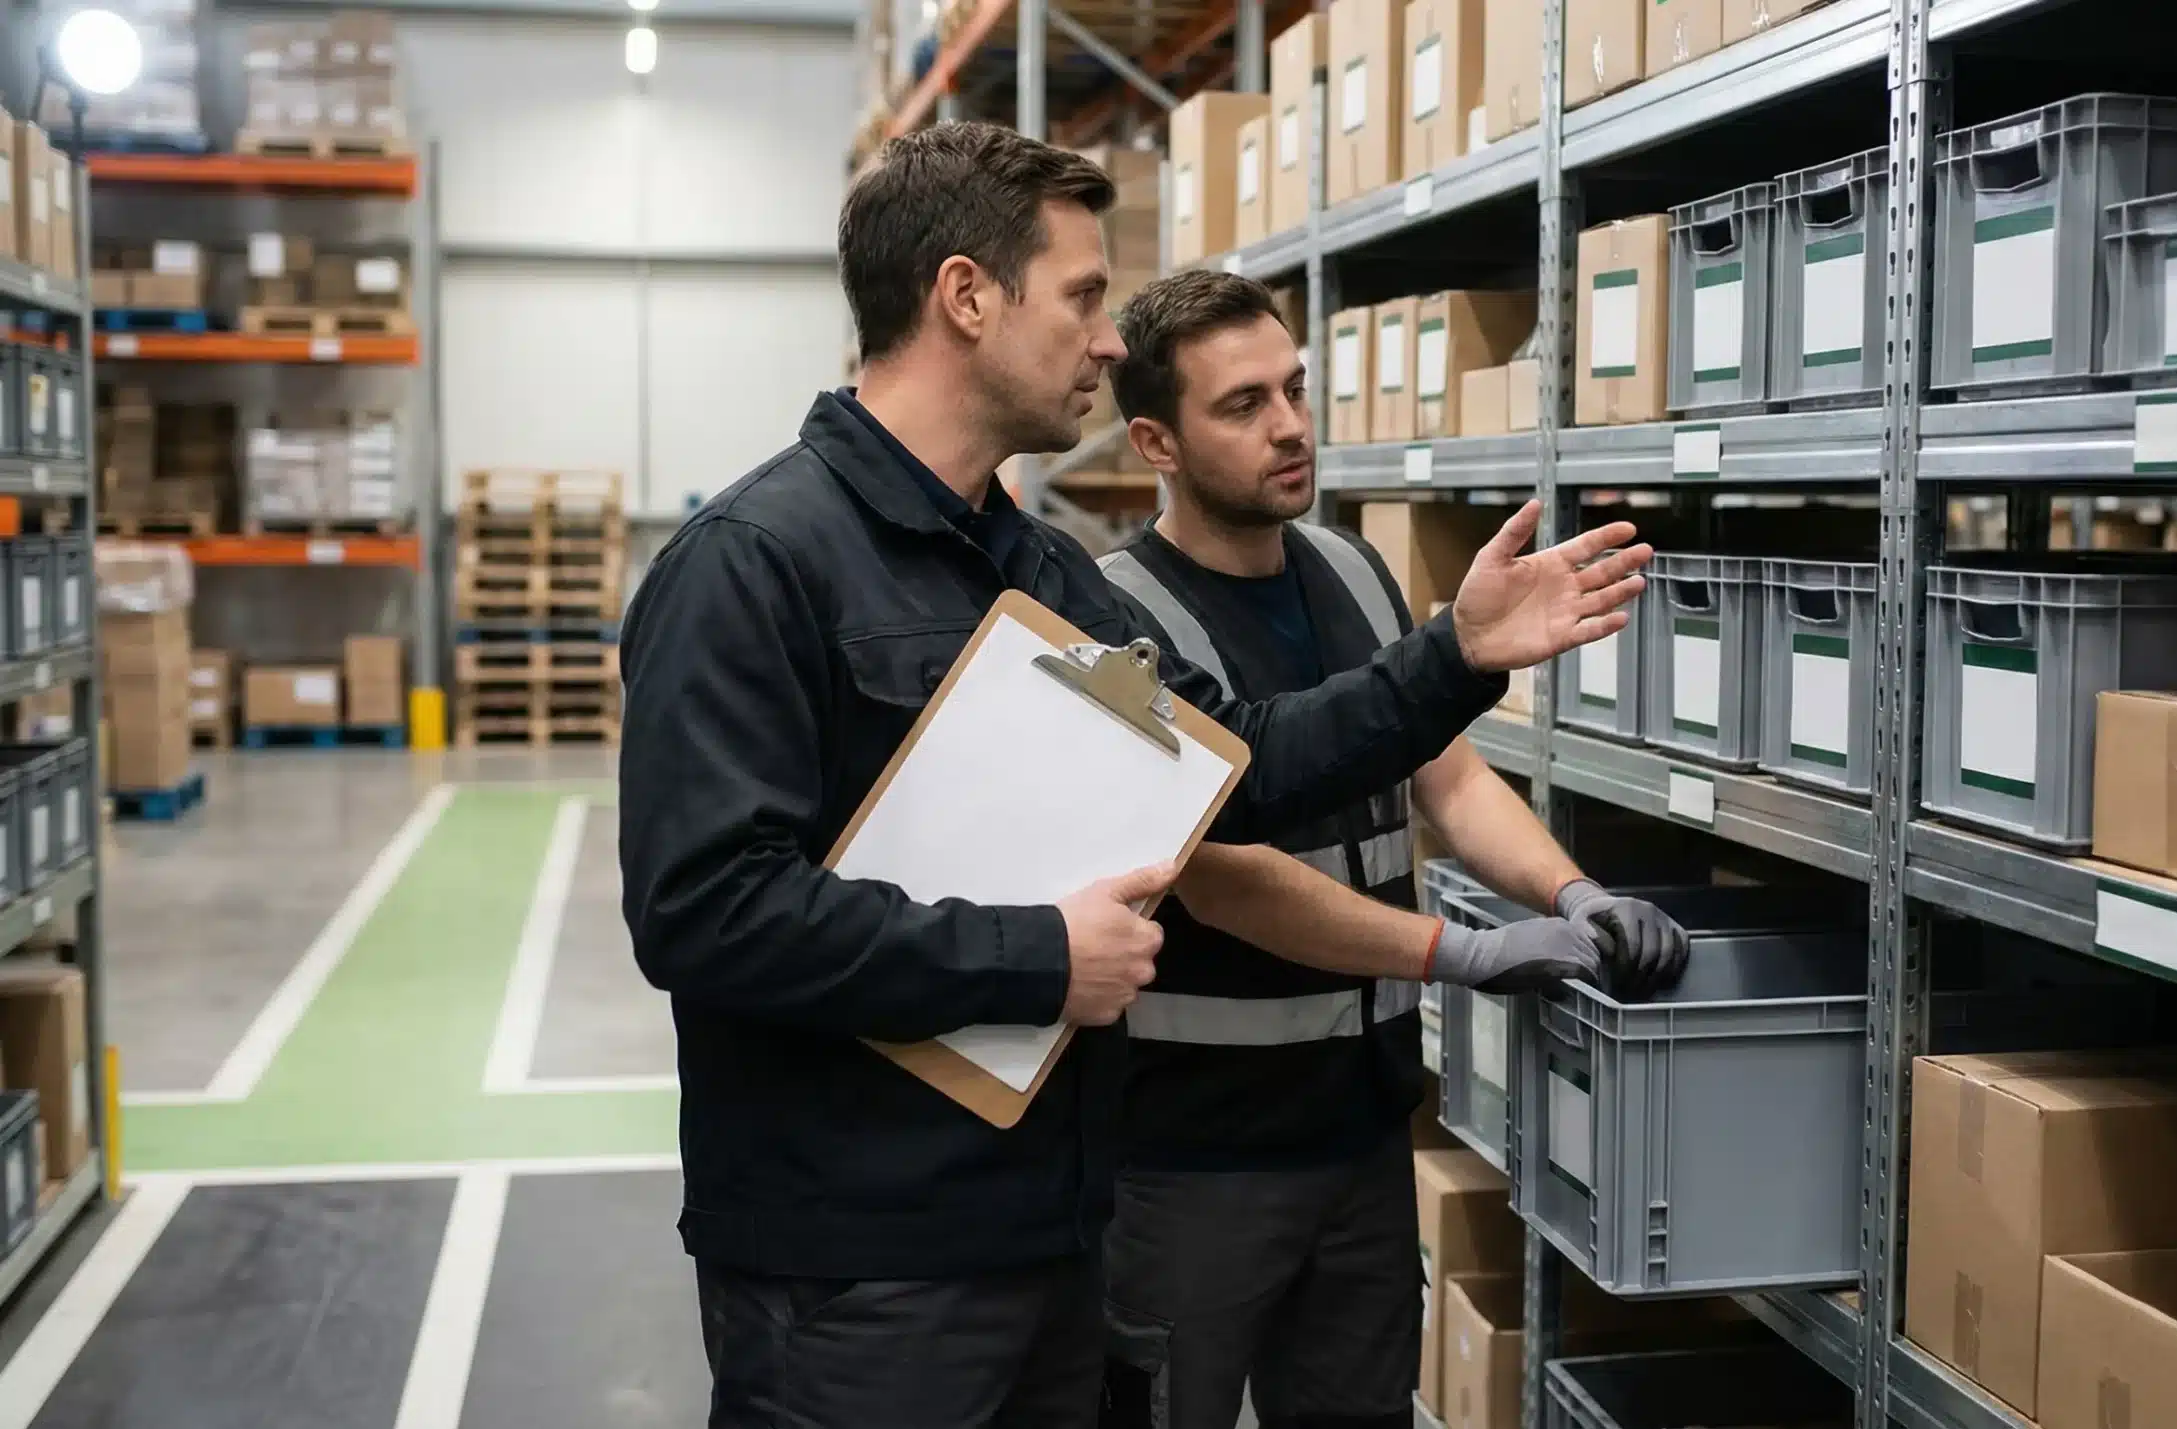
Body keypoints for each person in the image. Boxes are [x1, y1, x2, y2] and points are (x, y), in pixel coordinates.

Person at [616, 121, 1654, 1429]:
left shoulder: (1035, 570)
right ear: (965, 296)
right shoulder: (754, 565)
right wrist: (1037, 957)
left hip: (1050, 1239)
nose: (1110, 343)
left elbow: (1242, 771)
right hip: (855, 1270)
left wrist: (1454, 654)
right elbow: (706, 910)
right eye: (1087, 298)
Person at [1090, 270, 1692, 1429]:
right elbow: (1223, 879)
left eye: (1296, 389)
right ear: (1156, 439)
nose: (1291, 427)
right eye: (1243, 405)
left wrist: (1576, 889)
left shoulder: (1352, 569)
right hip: (1191, 1162)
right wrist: (1458, 954)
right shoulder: (1119, 624)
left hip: (1360, 1139)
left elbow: (1447, 776)